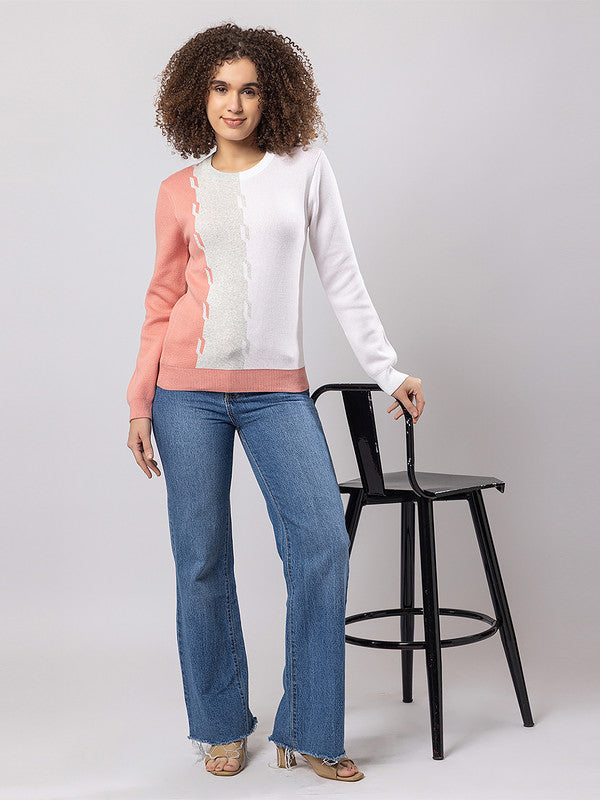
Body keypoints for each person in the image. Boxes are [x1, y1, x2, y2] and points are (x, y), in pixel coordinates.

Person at [126, 22, 425, 783]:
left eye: (250, 89)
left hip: (276, 393)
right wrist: (140, 402)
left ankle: (311, 728)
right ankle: (219, 724)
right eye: (221, 88)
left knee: (321, 543)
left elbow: (342, 276)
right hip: (184, 394)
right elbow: (161, 302)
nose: (235, 103)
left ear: (274, 97)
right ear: (198, 97)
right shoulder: (177, 190)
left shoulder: (305, 170)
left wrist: (387, 371)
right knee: (201, 560)